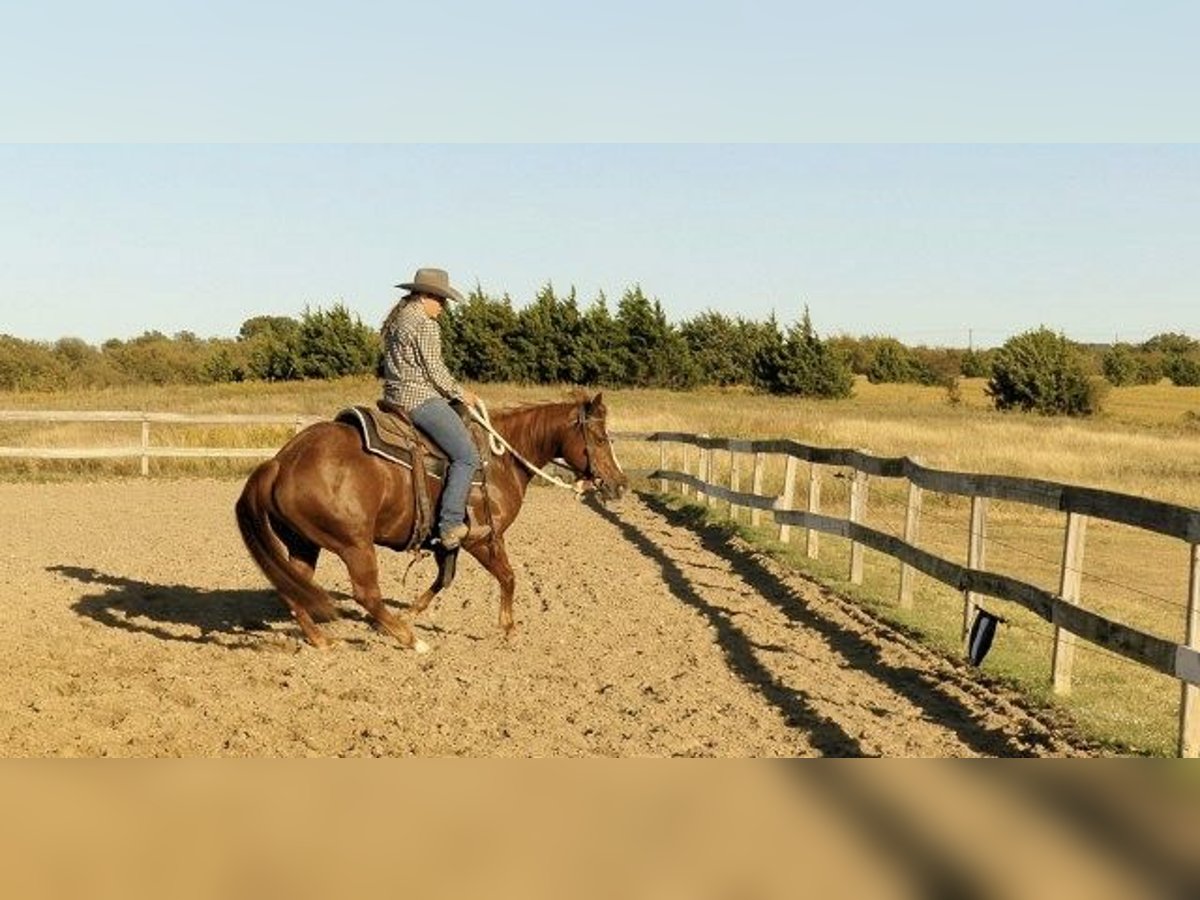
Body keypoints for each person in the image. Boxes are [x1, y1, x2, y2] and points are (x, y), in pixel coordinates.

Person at [381, 267, 481, 549]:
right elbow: (435, 371)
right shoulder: (425, 324)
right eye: (440, 299)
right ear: (425, 295)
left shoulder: (398, 320)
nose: (443, 306)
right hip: (419, 400)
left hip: (393, 398)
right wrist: (462, 393)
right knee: (467, 457)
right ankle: (449, 524)